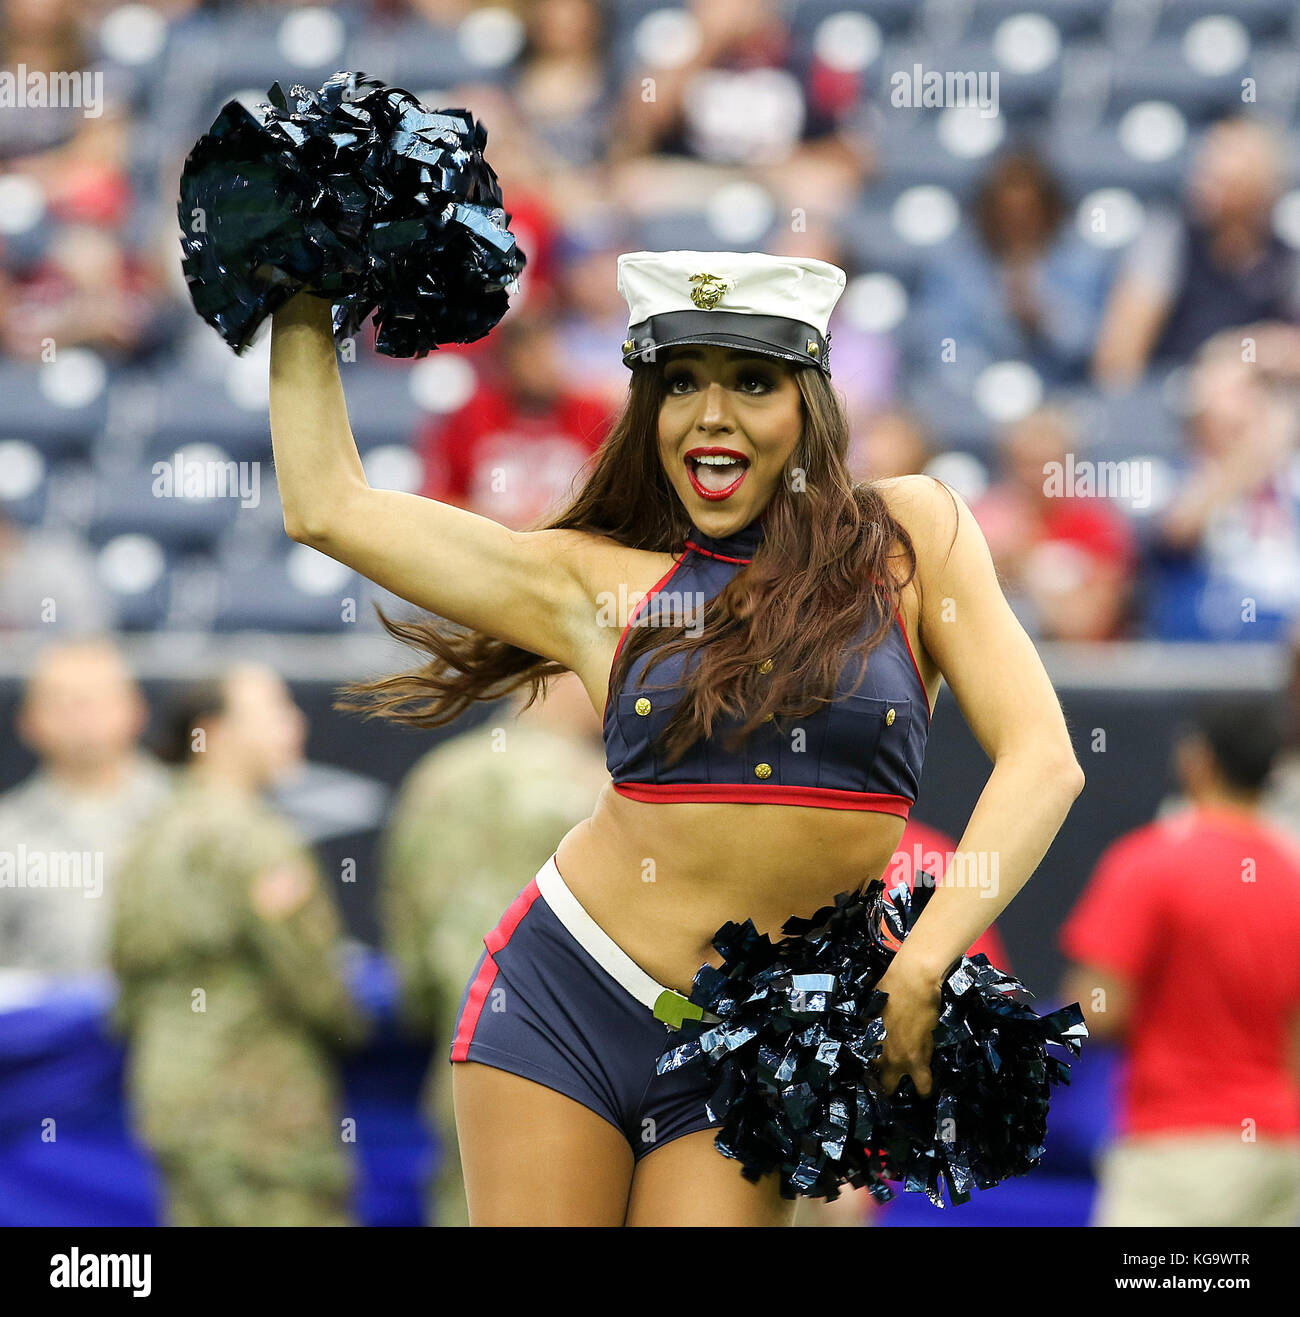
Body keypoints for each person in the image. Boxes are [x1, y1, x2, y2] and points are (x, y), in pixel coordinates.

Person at [268, 248, 1084, 1226]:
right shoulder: (595, 583)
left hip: (746, 1038)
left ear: (810, 403)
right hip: (562, 997)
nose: (710, 414)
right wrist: (303, 276)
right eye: (679, 383)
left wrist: (922, 960)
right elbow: (326, 506)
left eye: (750, 382)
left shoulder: (909, 537)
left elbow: (1043, 759)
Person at [109, 665, 368, 1227]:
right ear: (214, 732)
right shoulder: (254, 839)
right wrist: (356, 1028)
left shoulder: (146, 837)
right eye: (274, 711)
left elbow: (124, 983)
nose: (294, 725)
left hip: (170, 1103)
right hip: (263, 1116)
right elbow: (315, 985)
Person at [379, 668, 610, 1226]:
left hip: (464, 1065)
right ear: (562, 675)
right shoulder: (603, 790)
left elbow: (406, 945)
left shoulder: (438, 777)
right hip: (584, 1072)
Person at [1060, 697, 1300, 1227]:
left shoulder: (1149, 864)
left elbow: (1095, 1007)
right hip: (1281, 1150)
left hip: (1179, 1152)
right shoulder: (1292, 876)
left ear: (1198, 760)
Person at [0, 637, 171, 975]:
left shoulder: (193, 817)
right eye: (62, 703)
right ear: (28, 722)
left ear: (137, 710)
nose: (82, 717)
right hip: (42, 1023)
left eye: (97, 700)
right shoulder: (6, 833)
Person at [1093, 116, 1300, 391]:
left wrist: (1270, 352)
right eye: (1205, 169)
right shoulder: (1167, 239)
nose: (1203, 181)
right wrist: (1221, 358)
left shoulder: (1287, 260)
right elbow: (1116, 364)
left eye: (1223, 178)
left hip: (1256, 413)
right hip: (1175, 402)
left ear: (1262, 191)